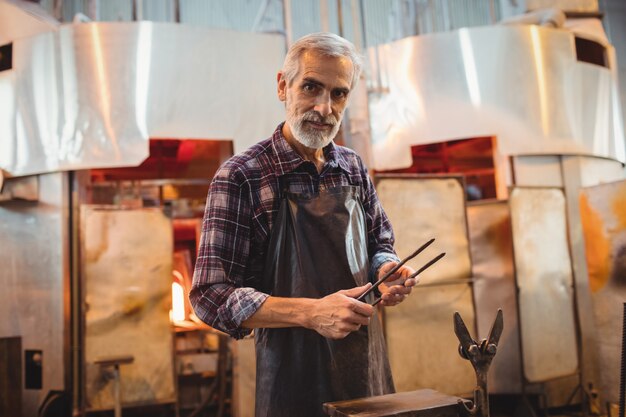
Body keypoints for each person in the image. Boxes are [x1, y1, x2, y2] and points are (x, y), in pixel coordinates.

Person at [190, 32, 418, 417]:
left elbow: (381, 241)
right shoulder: (242, 176)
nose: (324, 108)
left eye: (338, 94)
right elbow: (210, 296)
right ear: (283, 86)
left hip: (365, 369)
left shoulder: (352, 167)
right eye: (311, 87)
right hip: (291, 381)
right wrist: (312, 313)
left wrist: (386, 270)